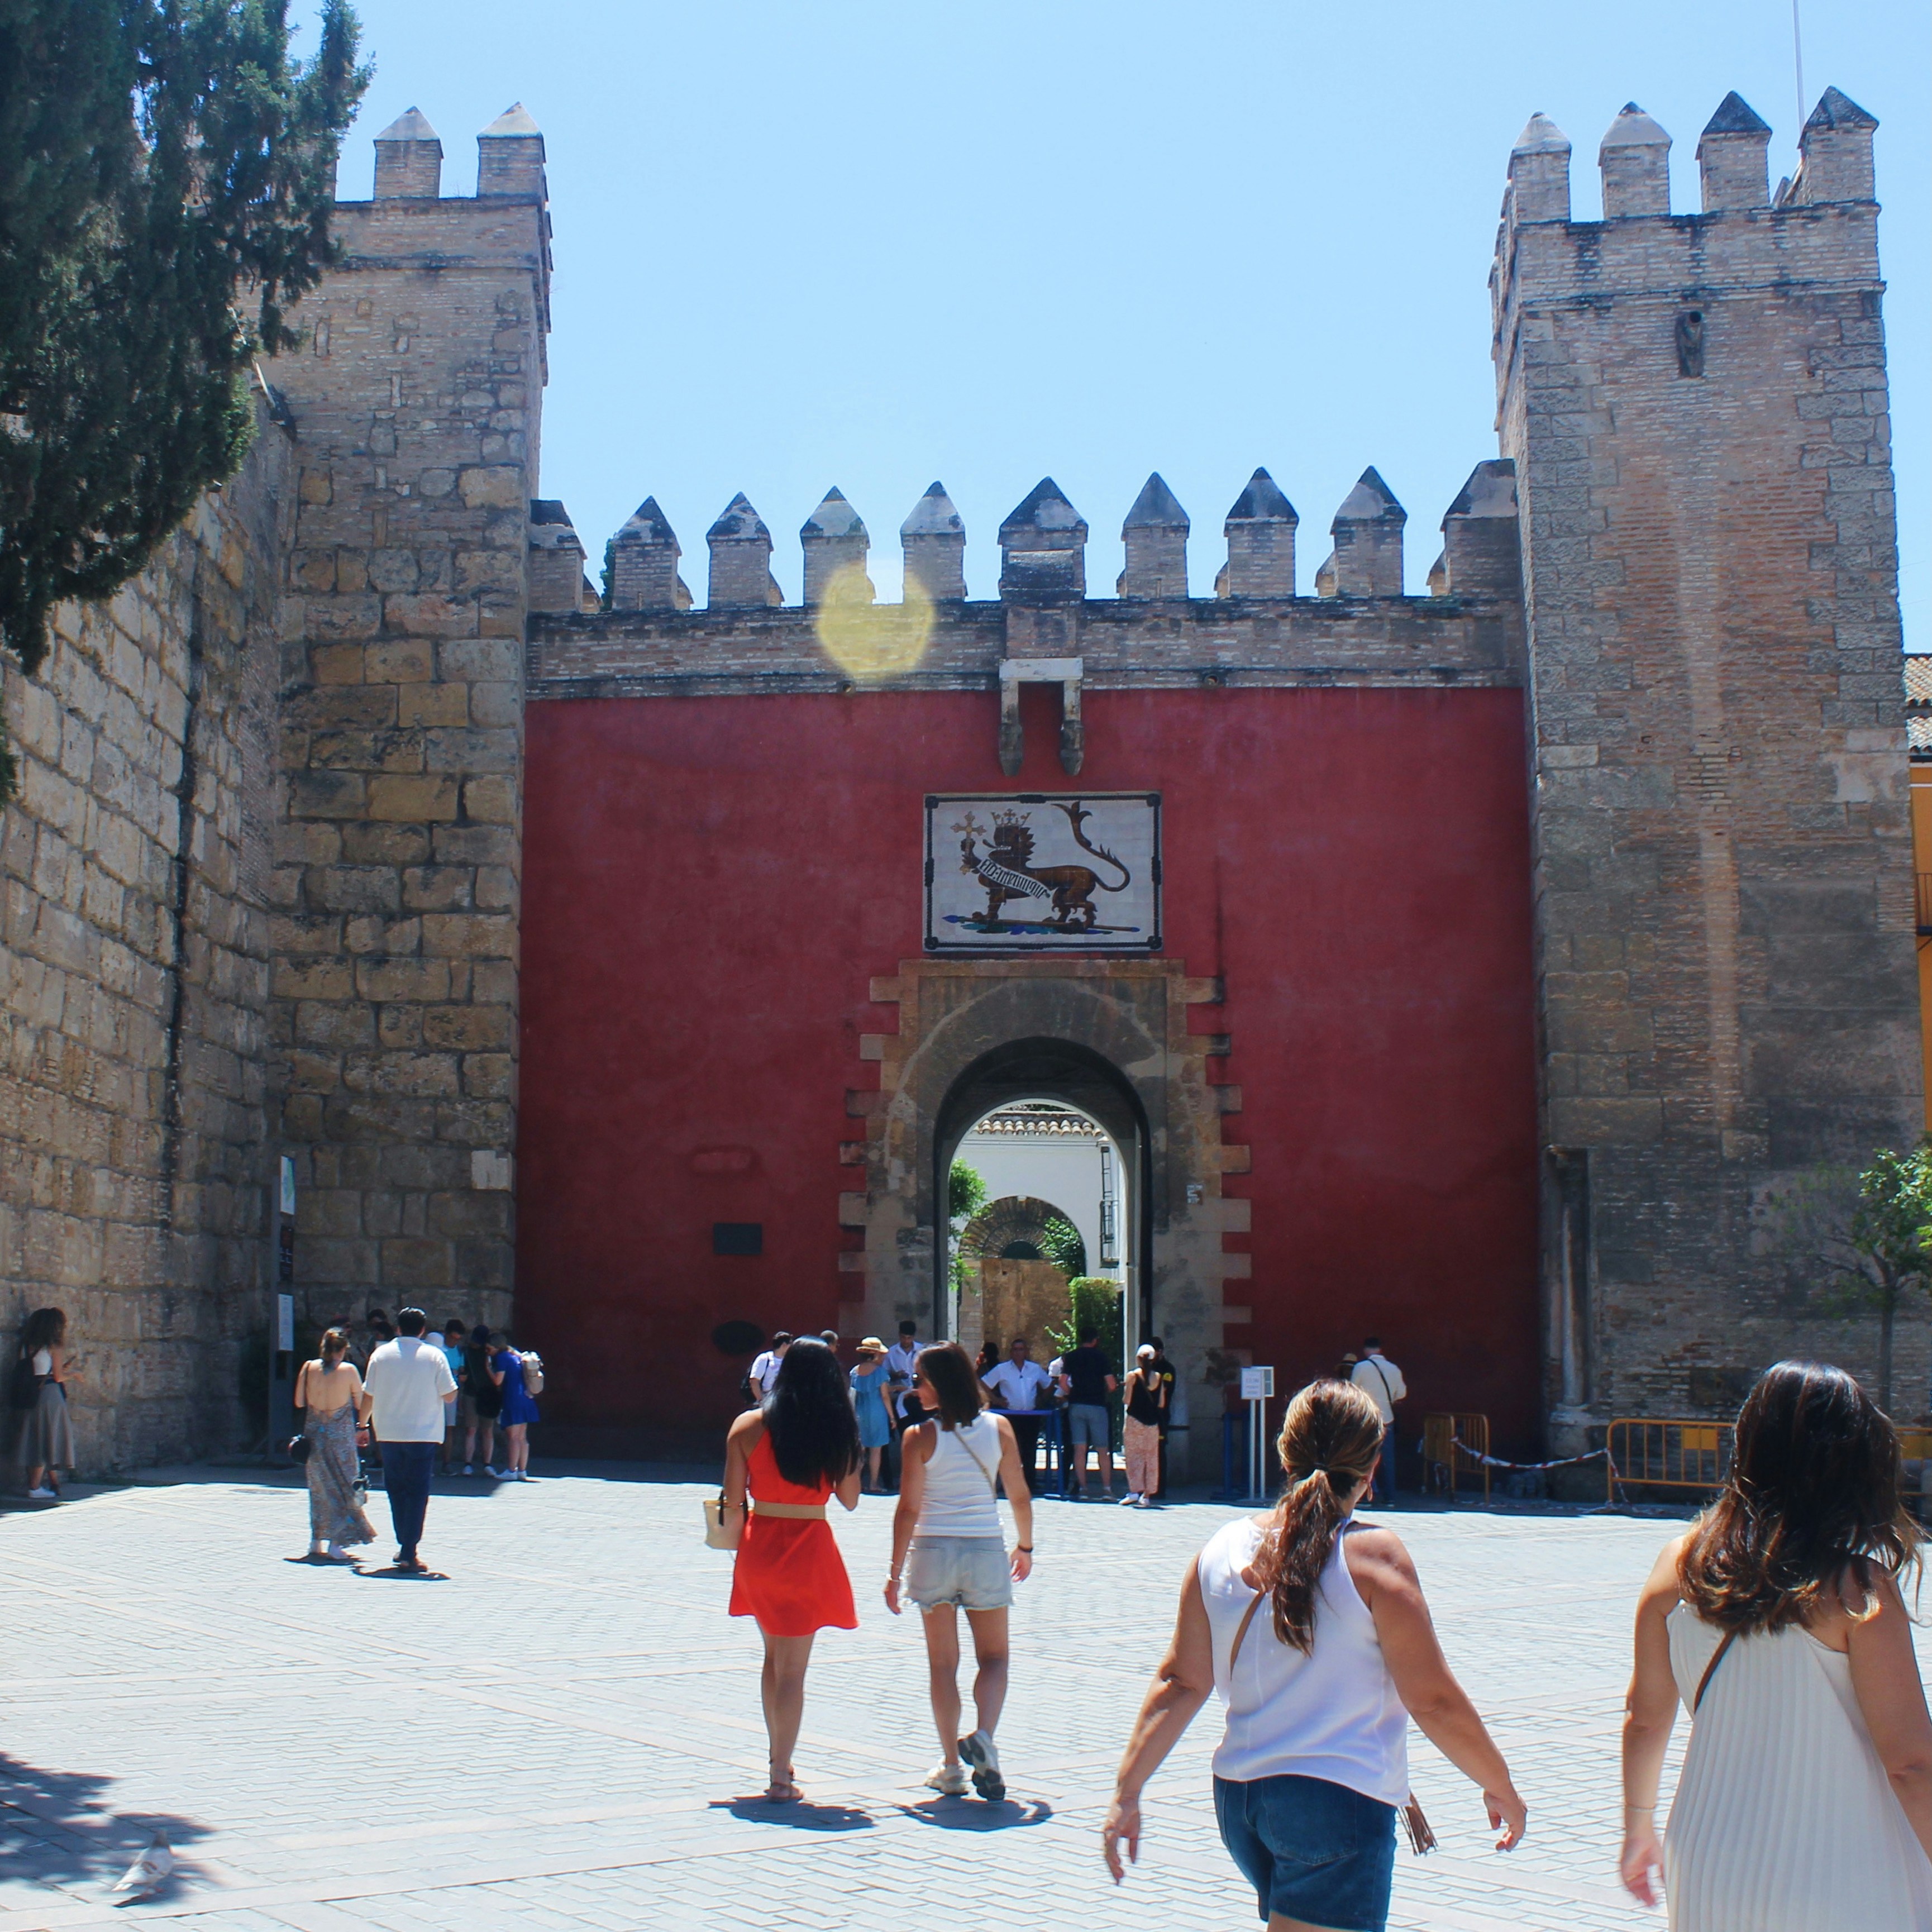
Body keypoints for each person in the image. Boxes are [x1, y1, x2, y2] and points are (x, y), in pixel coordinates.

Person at [1103, 1378, 1526, 1930]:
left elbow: (1180, 1682)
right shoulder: (1375, 1557)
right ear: (1372, 1469)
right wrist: (1500, 1785)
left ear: (1285, 1453)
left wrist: (1126, 1792)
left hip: (1241, 1799)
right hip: (1334, 1802)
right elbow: (1433, 1700)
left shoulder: (1219, 1549)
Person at [1619, 1361, 1932, 1929]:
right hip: (1845, 1868)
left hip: (1707, 1858)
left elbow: (1644, 1718)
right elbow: (1911, 1764)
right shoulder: (1858, 1590)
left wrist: (1638, 1824)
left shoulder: (1678, 1566)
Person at [887, 1342, 1034, 1800]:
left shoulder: (918, 1437)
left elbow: (908, 1508)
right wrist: (1025, 1545)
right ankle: (984, 1737)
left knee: (941, 1665)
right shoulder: (999, 1427)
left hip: (932, 1550)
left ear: (941, 1383)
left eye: (920, 1380)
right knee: (994, 1658)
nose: (914, 1389)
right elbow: (1019, 1495)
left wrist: (893, 1573)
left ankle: (951, 1766)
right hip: (985, 1548)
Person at [722, 1337, 861, 1801]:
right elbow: (850, 1499)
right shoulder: (834, 1430)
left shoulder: (747, 1425)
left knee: (771, 1658)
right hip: (809, 1548)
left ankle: (775, 1755)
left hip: (760, 1544)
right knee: (793, 1670)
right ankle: (781, 1772)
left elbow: (732, 1503)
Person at [357, 1308, 456, 1573]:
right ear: (423, 1330)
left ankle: (404, 1544)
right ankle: (409, 1549)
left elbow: (369, 1395)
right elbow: (450, 1396)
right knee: (418, 1492)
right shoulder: (434, 1356)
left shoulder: (381, 1355)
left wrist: (362, 1425)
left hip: (389, 1433)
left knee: (396, 1491)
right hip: (424, 1435)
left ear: (398, 1328)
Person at [293, 1328, 375, 1561]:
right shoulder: (349, 1371)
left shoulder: (308, 1368)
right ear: (343, 1349)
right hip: (340, 1438)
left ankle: (316, 1540)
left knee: (319, 1489)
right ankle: (337, 1543)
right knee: (345, 1487)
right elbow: (361, 1403)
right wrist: (363, 1428)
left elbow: (299, 1401)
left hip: (315, 1436)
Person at [13, 1308, 77, 1501]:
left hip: (31, 1394)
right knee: (47, 1439)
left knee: (35, 1437)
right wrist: (74, 1375)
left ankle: (43, 1483)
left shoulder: (27, 1345)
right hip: (50, 1395)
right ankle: (35, 1487)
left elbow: (35, 1370)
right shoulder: (54, 1346)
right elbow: (58, 1377)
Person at [982, 1337, 1054, 1491]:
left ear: (1026, 1352)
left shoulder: (1035, 1369)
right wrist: (996, 1399)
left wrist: (1042, 1400)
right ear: (1011, 1352)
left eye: (1021, 1349)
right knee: (1008, 1450)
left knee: (1029, 1449)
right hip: (1009, 1415)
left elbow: (1049, 1384)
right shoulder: (1002, 1369)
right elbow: (984, 1383)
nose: (1018, 1353)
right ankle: (1006, 1483)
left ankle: (1030, 1483)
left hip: (1030, 1415)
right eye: (1015, 1350)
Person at [1060, 1326, 1119, 1500]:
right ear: (1095, 1340)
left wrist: (1072, 1393)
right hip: (1097, 1405)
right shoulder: (1101, 1357)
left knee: (1079, 1448)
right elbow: (1112, 1384)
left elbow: (1063, 1382)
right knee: (1102, 1450)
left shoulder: (1071, 1357)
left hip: (1077, 1405)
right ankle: (1107, 1489)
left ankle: (1083, 1489)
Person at [1352, 1338, 1406, 1504]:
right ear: (1380, 1349)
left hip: (1366, 1418)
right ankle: (1390, 1497)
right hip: (1387, 1418)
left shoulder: (1360, 1368)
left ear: (1366, 1349)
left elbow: (1353, 1391)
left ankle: (1365, 1496)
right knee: (1388, 1460)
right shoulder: (1394, 1369)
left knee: (1364, 1457)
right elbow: (1402, 1393)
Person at [1122, 1344, 1167, 1508]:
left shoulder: (1132, 1376)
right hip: (1152, 1423)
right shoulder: (1159, 1377)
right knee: (1151, 1458)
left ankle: (1134, 1491)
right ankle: (1147, 1495)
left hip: (1135, 1421)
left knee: (1134, 1456)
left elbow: (1127, 1400)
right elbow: (1161, 1403)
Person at [491, 1334, 540, 1480]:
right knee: (522, 1437)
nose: (488, 1352)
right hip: (526, 1397)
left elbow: (498, 1381)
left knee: (513, 1437)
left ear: (496, 1347)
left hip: (513, 1399)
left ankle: (511, 1470)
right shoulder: (516, 1355)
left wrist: (488, 1368)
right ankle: (522, 1470)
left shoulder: (502, 1358)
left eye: (489, 1349)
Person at [850, 1337, 895, 1493]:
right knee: (876, 1450)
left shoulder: (854, 1371)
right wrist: (892, 1417)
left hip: (859, 1412)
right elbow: (885, 1396)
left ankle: (857, 1482)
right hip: (877, 1412)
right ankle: (873, 1483)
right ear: (875, 1355)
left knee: (860, 1450)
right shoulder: (880, 1372)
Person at [461, 1323, 501, 1475]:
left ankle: (487, 1464)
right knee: (471, 1429)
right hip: (471, 1392)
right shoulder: (467, 1352)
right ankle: (468, 1463)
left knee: (488, 1430)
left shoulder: (491, 1353)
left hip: (489, 1394)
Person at [437, 1321, 467, 1474]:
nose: (454, 1342)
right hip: (434, 1393)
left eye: (457, 1339)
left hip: (452, 1394)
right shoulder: (437, 1349)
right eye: (452, 1338)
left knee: (449, 1429)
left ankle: (446, 1463)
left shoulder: (459, 1352)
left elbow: (462, 1372)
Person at [747, 1332, 791, 1404]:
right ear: (784, 1345)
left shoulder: (788, 1360)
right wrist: (761, 1401)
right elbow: (754, 1381)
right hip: (768, 1397)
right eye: (790, 1344)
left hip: (783, 1398)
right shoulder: (765, 1358)